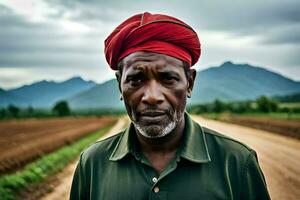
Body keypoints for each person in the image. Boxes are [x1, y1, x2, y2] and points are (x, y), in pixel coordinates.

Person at [70, 12, 270, 200]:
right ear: (119, 85)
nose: (152, 97)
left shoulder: (236, 162)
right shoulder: (92, 164)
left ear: (189, 83)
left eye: (168, 79)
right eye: (136, 80)